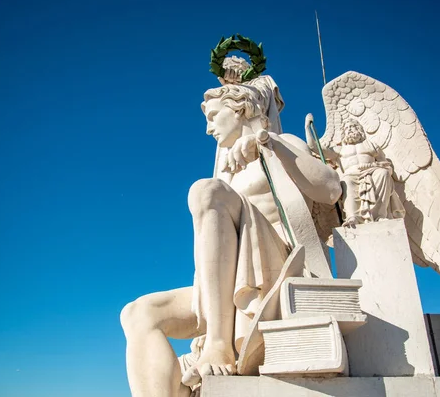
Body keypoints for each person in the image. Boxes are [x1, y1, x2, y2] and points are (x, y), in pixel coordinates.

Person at [120, 75, 342, 397]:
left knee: (206, 191)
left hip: (275, 266)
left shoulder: (284, 143)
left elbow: (330, 189)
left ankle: (220, 344)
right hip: (228, 282)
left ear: (239, 110)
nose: (209, 128)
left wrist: (269, 143)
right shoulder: (229, 170)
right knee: (138, 313)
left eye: (213, 117)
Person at [336, 119, 405, 227]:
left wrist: (376, 167)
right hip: (351, 175)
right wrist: (308, 127)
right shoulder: (340, 150)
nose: (349, 129)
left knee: (383, 174)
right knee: (346, 181)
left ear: (358, 129)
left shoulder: (371, 145)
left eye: (352, 127)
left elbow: (386, 166)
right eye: (346, 128)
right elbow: (314, 147)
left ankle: (379, 215)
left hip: (372, 172)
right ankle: (353, 217)